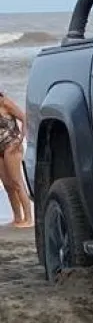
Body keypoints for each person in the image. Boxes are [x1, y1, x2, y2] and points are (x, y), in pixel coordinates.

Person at [0, 91, 31, 228]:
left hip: (11, 145)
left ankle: (28, 218)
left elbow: (24, 118)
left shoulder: (5, 103)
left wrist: (20, 139)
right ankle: (17, 218)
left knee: (16, 182)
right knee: (7, 185)